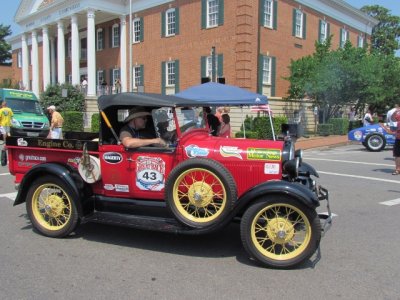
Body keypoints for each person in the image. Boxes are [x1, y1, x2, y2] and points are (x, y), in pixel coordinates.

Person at [392, 109, 400, 175]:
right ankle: (397, 169)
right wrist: (396, 111)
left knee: (397, 154)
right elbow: (392, 118)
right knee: (397, 155)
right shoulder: (398, 114)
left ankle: (398, 169)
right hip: (398, 138)